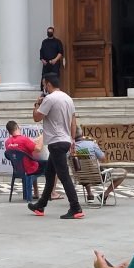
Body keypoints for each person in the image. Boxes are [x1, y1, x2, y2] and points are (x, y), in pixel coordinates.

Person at [28, 73, 83, 219]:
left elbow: (36, 117)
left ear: (48, 84)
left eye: (44, 84)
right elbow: (73, 121)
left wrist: (37, 104)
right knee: (50, 174)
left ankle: (76, 208)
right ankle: (41, 205)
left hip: (55, 141)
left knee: (63, 175)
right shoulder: (68, 98)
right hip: (64, 139)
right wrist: (72, 139)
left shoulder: (49, 99)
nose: (43, 87)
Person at [74, 129, 127, 204]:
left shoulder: (70, 148)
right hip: (98, 176)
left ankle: (89, 194)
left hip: (81, 177)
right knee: (123, 172)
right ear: (82, 134)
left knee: (83, 167)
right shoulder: (91, 144)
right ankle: (105, 194)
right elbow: (102, 158)